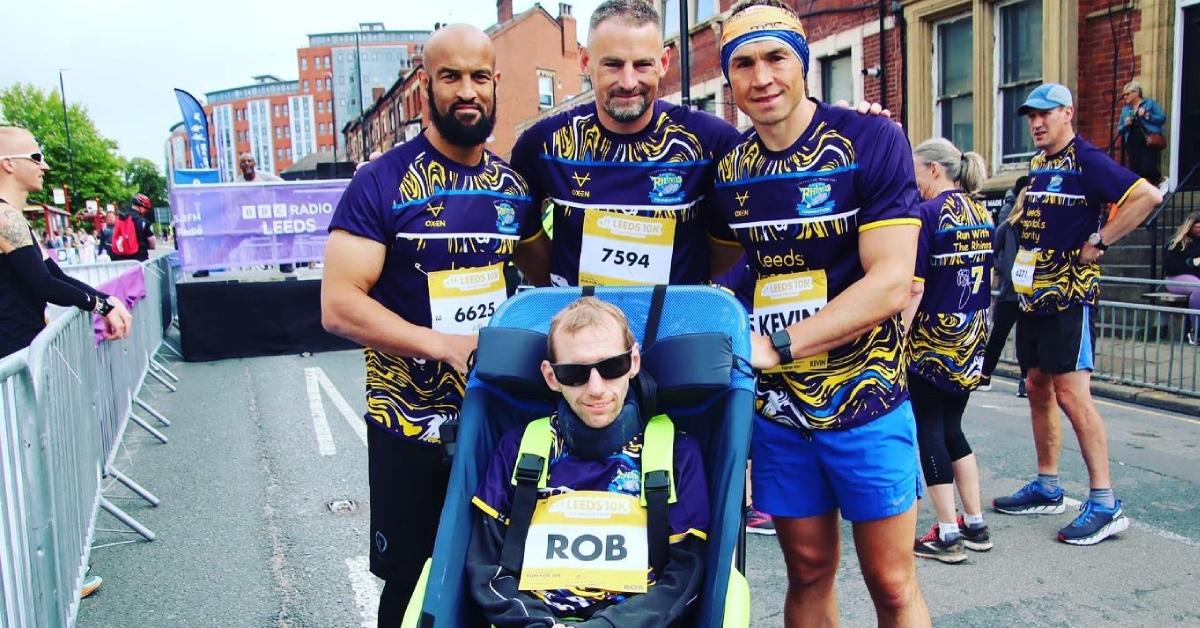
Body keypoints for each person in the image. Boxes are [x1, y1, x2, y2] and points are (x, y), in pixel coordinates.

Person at [710, 2, 930, 625]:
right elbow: (735, 274)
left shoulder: (872, 140)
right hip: (780, 412)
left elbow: (889, 283)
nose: (762, 77)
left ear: (803, 62)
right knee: (807, 572)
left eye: (777, 57)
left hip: (868, 397)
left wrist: (775, 345)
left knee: (891, 581)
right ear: (730, 80)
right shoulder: (729, 169)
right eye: (744, 64)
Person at [320, 24, 543, 627]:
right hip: (410, 424)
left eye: (479, 77)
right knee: (410, 586)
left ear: (496, 84)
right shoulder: (380, 182)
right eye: (451, 77)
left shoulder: (514, 190)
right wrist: (440, 345)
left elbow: (552, 278)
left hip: (499, 421)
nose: (466, 90)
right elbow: (339, 304)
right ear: (426, 86)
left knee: (501, 572)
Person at [468, 296, 708, 627]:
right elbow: (486, 567)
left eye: (612, 368)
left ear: (634, 362)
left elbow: (685, 577)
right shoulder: (520, 447)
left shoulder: (677, 453)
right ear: (552, 377)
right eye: (574, 373)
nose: (596, 388)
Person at [993, 83, 1163, 545]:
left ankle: (1105, 503)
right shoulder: (1039, 164)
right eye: (1031, 116)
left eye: (1046, 114)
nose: (1036, 123)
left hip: (1070, 297)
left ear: (1068, 113)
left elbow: (1147, 196)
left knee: (1072, 394)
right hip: (1033, 296)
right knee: (1036, 386)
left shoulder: (1085, 158)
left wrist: (1102, 239)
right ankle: (1048, 486)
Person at [509, 0, 744, 289]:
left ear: (663, 62)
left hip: (677, 326)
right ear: (585, 62)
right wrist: (561, 289)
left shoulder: (711, 141)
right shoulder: (545, 144)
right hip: (581, 327)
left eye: (643, 64)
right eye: (613, 64)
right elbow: (517, 231)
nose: (628, 81)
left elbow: (730, 246)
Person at [901, 138, 994, 564]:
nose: (913, 179)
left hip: (933, 339)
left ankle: (948, 532)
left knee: (930, 430)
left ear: (935, 170)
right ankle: (975, 523)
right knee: (954, 428)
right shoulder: (982, 212)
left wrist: (898, 335)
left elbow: (915, 288)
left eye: (917, 170)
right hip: (973, 333)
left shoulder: (927, 214)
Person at [0, 126, 131, 357]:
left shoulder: (12, 216)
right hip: (11, 356)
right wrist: (102, 306)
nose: (45, 166)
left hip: (19, 351)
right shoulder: (5, 216)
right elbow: (44, 284)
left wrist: (107, 299)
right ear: (9, 164)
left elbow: (56, 275)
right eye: (36, 158)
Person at [980, 176, 1029, 397]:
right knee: (999, 335)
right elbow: (991, 254)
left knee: (1025, 341)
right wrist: (1004, 268)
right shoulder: (1006, 228)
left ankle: (1025, 382)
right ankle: (985, 375)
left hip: (1031, 292)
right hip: (1010, 291)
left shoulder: (1040, 230)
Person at [1116, 80, 1167, 186]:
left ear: (1136, 92)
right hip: (1132, 142)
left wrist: (1148, 115)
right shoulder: (1125, 110)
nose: (1125, 97)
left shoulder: (1149, 103)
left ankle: (1158, 181)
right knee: (1136, 171)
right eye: (1124, 95)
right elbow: (1119, 130)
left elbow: (1162, 118)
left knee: (1147, 168)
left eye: (1127, 94)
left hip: (1147, 140)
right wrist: (1126, 124)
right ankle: (1146, 193)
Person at [1164, 210, 1200, 344]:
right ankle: (1195, 331)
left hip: (1196, 278)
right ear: (1190, 226)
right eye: (1197, 227)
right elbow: (1170, 267)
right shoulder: (1177, 243)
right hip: (1176, 278)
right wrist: (1191, 263)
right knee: (1198, 288)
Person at [109, 194, 156, 262]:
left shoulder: (120, 219)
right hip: (138, 260)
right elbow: (153, 245)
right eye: (146, 208)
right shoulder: (144, 222)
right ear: (141, 207)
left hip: (119, 260)